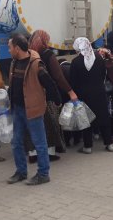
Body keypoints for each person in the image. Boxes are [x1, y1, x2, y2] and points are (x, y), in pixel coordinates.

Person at [6, 33, 61, 186]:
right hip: (17, 109)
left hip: (33, 109)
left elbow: (49, 83)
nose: (8, 50)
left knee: (39, 143)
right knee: (16, 142)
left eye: (10, 47)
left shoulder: (36, 64)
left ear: (17, 48)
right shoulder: (14, 62)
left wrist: (57, 100)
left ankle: (43, 174)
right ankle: (21, 172)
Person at [27, 30, 78, 162]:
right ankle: (50, 153)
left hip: (31, 95)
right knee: (50, 124)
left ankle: (33, 154)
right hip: (47, 94)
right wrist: (70, 91)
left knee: (34, 125)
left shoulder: (28, 54)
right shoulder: (48, 55)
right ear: (44, 40)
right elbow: (58, 76)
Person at [70, 37, 113, 153]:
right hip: (99, 92)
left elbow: (73, 81)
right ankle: (109, 143)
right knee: (104, 117)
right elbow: (103, 75)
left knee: (86, 119)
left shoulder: (75, 62)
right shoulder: (99, 58)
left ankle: (87, 146)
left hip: (84, 94)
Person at [57, 58, 82, 147]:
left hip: (65, 97)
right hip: (76, 97)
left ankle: (67, 140)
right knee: (76, 118)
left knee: (66, 119)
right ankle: (77, 138)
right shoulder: (73, 67)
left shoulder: (60, 70)